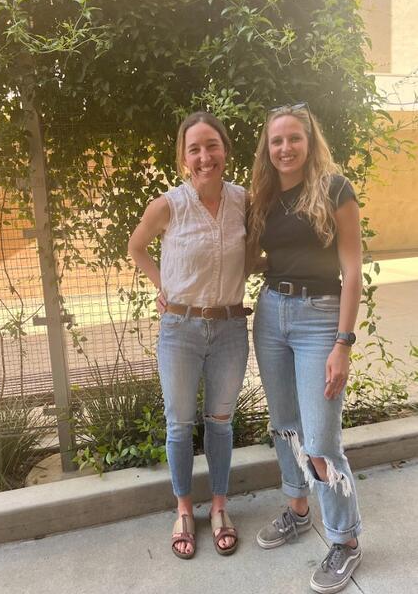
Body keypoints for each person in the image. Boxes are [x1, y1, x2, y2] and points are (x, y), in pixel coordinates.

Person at [247, 102, 362, 593]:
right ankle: (298, 509)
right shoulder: (265, 195)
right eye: (277, 141)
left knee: (320, 440)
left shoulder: (334, 188)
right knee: (287, 428)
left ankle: (345, 540)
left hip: (320, 320)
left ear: (309, 141)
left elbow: (353, 271)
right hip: (271, 314)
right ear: (267, 149)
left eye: (294, 138)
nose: (286, 148)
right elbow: (254, 259)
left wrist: (343, 343)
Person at [128, 111, 250, 559]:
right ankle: (184, 510)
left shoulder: (245, 201)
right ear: (183, 158)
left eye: (211, 146)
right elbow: (135, 246)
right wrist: (164, 285)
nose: (204, 157)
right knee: (179, 425)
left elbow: (253, 253)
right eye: (194, 149)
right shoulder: (168, 205)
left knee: (220, 423)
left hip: (231, 327)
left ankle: (219, 507)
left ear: (225, 150)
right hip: (179, 329)